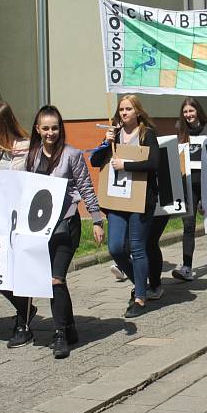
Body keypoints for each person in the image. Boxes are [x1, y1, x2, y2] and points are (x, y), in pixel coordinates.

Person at [26, 105, 105, 358]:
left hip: (66, 226)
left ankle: (59, 335)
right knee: (56, 281)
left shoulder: (71, 155)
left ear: (61, 129)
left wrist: (95, 219)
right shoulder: (33, 156)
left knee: (55, 279)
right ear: (38, 130)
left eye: (55, 127)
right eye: (46, 128)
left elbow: (85, 186)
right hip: (42, 228)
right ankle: (70, 328)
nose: (51, 132)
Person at [90, 95, 159, 318]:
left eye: (128, 109)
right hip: (118, 199)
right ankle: (139, 281)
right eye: (121, 109)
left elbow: (154, 163)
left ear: (138, 111)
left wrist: (126, 164)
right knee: (116, 248)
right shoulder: (115, 135)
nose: (124, 113)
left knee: (137, 247)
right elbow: (95, 161)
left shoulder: (147, 134)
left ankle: (139, 297)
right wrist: (105, 141)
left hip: (140, 199)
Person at [0, 101, 37, 348]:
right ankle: (24, 307)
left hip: (20, 218)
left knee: (19, 273)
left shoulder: (25, 147)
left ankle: (23, 324)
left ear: (2, 124)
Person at [171, 98, 207, 281]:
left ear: (198, 111)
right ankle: (187, 267)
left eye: (191, 111)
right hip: (188, 183)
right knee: (188, 226)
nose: (188, 115)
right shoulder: (181, 131)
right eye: (185, 112)